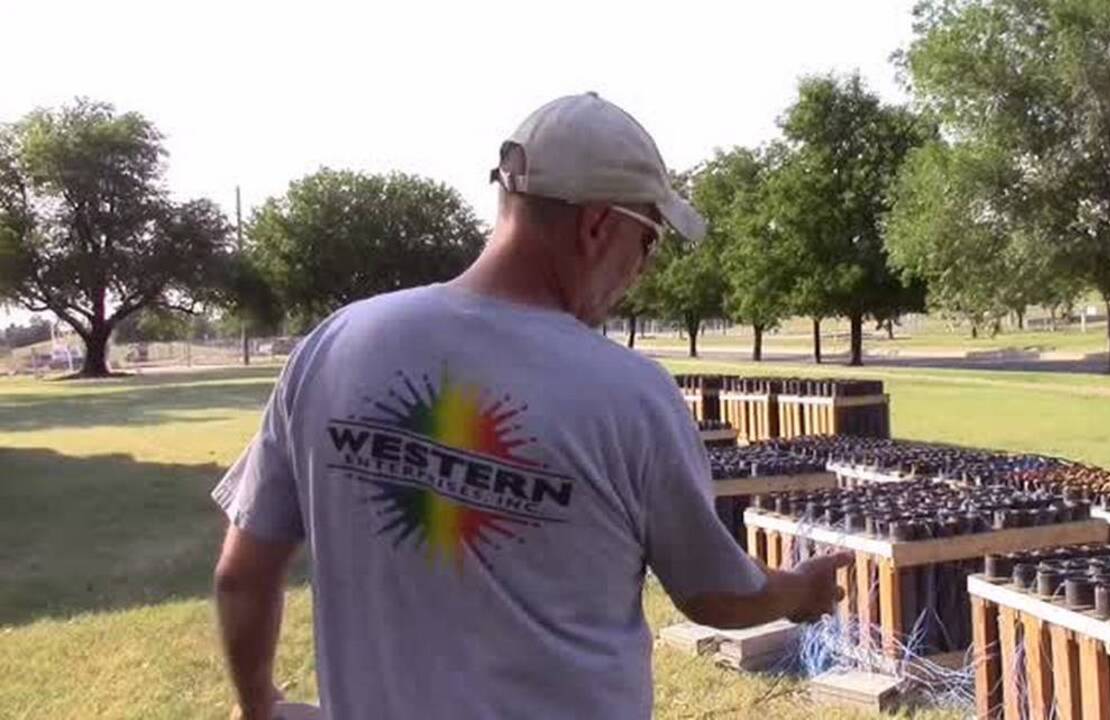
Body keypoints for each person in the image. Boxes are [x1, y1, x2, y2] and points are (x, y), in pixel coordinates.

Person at [212, 92, 853, 720]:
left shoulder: (335, 344)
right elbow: (715, 595)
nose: (643, 270)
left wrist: (260, 703)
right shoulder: (633, 397)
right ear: (598, 226)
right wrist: (801, 591)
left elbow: (241, 574)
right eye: (648, 241)